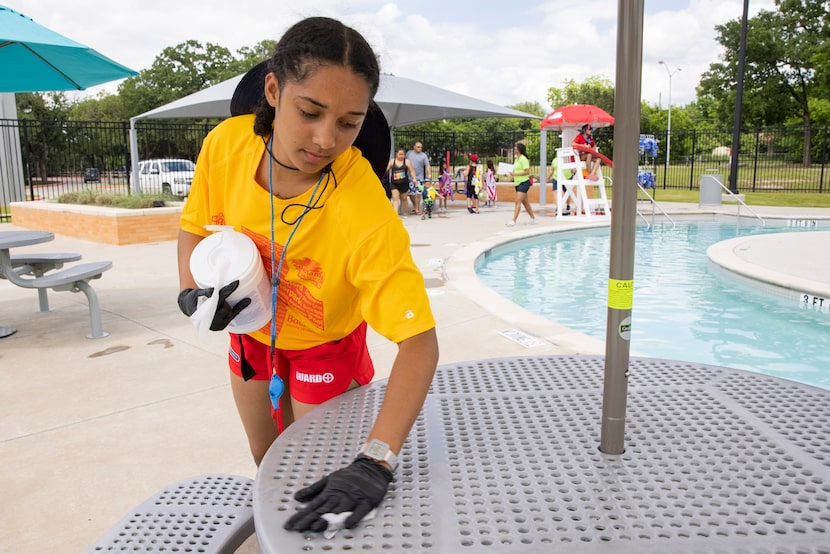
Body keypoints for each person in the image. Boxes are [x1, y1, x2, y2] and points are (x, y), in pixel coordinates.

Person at [176, 17, 438, 534]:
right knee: (264, 452)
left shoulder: (360, 199)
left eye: (348, 122)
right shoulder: (226, 146)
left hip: (325, 347)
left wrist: (375, 461)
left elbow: (420, 344)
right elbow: (192, 227)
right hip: (248, 332)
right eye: (311, 112)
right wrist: (190, 289)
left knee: (312, 471)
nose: (325, 140)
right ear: (273, 90)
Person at [507, 143, 536, 226]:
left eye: (515, 148)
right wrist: (509, 173)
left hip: (524, 182)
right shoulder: (517, 159)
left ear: (519, 150)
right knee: (525, 202)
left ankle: (514, 220)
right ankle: (533, 218)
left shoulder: (524, 159)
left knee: (517, 201)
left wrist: (515, 174)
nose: (514, 150)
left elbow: (527, 171)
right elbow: (515, 170)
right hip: (518, 183)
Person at [385, 147, 418, 216]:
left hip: (404, 183)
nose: (401, 156)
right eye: (400, 154)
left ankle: (405, 213)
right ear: (396, 154)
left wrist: (414, 178)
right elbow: (386, 169)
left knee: (404, 198)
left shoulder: (407, 162)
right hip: (394, 183)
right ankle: (395, 214)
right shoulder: (392, 161)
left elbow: (412, 170)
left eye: (403, 154)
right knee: (395, 198)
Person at [405, 142, 431, 215]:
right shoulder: (409, 154)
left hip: (420, 177)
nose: (420, 148)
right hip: (409, 177)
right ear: (414, 147)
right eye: (418, 147)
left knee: (418, 194)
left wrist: (429, 174)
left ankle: (417, 208)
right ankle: (415, 206)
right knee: (410, 194)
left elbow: (427, 165)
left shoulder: (423, 156)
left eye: (421, 147)